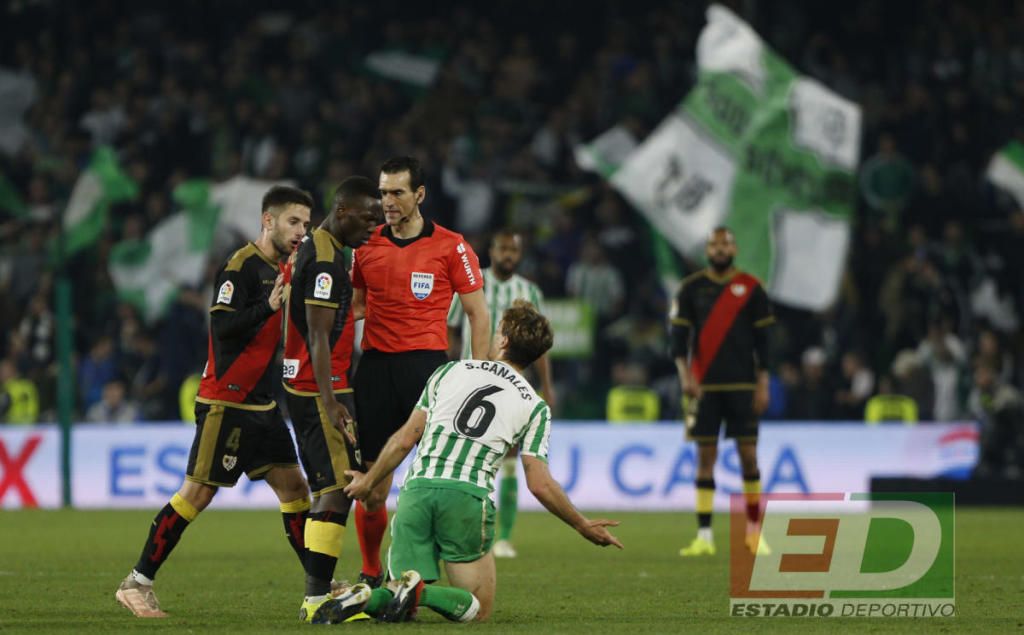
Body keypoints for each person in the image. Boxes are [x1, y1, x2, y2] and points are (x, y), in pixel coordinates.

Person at [317, 300, 622, 624]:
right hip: (466, 498)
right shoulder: (535, 406)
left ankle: (365, 596)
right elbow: (539, 483)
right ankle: (419, 592)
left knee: (397, 602)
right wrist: (581, 524)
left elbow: (405, 437)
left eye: (499, 329)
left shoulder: (449, 370)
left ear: (503, 340)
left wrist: (368, 480)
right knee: (479, 609)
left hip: (417, 491)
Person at [115, 186, 313, 618]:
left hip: (262, 404)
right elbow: (222, 328)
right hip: (227, 400)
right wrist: (268, 305)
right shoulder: (239, 266)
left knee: (296, 490)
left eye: (306, 223)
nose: (302, 230)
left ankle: (319, 585)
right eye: (294, 221)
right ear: (268, 221)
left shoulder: (285, 267)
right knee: (197, 493)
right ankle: (136, 583)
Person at [349, 156, 490, 587]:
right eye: (383, 192)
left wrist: (475, 377)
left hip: (428, 373)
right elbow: (353, 308)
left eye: (397, 192)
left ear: (420, 195)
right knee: (372, 487)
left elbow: (478, 316)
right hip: (374, 371)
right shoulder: (365, 244)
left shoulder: (452, 246)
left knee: (432, 483)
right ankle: (372, 571)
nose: (387, 201)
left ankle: (424, 578)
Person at [281, 176, 382, 623]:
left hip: (312, 383)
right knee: (337, 490)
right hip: (318, 386)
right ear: (343, 210)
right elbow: (318, 335)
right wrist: (330, 400)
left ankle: (319, 594)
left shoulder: (320, 248)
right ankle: (317, 598)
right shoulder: (325, 261)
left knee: (336, 488)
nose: (373, 227)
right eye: (367, 217)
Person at [446, 229, 555, 559]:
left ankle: (503, 537)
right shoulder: (470, 280)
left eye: (514, 249)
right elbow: (451, 327)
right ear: (491, 250)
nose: (508, 254)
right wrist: (449, 366)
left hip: (510, 384)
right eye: (503, 247)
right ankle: (459, 529)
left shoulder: (529, 291)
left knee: (508, 458)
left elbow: (541, 345)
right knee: (462, 454)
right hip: (469, 379)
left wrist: (547, 386)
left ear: (520, 254)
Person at [670, 227, 774, 557]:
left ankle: (754, 533)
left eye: (724, 243)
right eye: (714, 244)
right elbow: (677, 341)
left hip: (744, 385)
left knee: (749, 457)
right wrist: (685, 376)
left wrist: (763, 383)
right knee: (705, 459)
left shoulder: (752, 289)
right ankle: (704, 536)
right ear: (707, 250)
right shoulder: (691, 289)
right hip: (704, 387)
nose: (718, 249)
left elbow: (766, 344)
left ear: (735, 248)